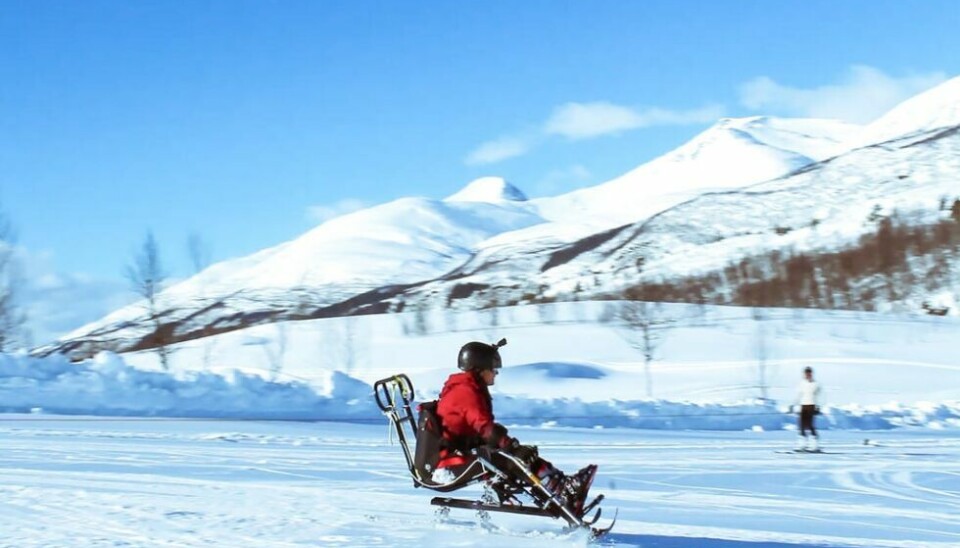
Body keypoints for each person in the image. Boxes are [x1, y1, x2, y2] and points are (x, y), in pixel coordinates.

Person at [434, 339, 596, 515]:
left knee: (522, 458)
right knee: (516, 460)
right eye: (493, 368)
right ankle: (564, 492)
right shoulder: (465, 391)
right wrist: (512, 447)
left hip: (463, 453)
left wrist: (510, 447)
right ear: (479, 369)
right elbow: (484, 427)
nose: (496, 373)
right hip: (452, 462)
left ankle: (565, 489)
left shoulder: (466, 387)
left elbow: (477, 429)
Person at [794, 366, 822, 451]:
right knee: (802, 425)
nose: (807, 375)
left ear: (811, 374)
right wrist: (794, 405)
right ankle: (802, 445)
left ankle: (814, 445)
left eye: (809, 373)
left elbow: (820, 396)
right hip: (803, 405)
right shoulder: (801, 384)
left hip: (812, 405)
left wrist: (818, 407)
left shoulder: (816, 384)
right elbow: (798, 395)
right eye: (806, 373)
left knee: (809, 425)